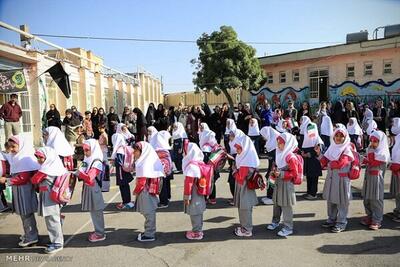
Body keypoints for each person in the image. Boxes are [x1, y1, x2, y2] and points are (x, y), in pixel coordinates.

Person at [317, 127, 356, 233]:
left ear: (345, 137)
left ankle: (341, 222)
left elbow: (339, 164)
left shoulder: (347, 149)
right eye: (337, 136)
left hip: (342, 180)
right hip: (331, 178)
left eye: (341, 136)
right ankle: (331, 219)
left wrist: (328, 163)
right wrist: (319, 154)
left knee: (342, 201)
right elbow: (324, 161)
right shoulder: (332, 147)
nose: (338, 138)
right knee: (331, 200)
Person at [7, 135, 40, 247]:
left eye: (14, 146)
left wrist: (8, 180)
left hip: (24, 190)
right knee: (24, 214)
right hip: (20, 190)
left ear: (21, 146)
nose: (11, 149)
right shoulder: (17, 156)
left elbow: (23, 178)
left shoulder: (24, 159)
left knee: (26, 213)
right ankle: (30, 234)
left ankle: (31, 236)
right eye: (9, 146)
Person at [32, 147, 65, 254]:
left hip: (49, 197)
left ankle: (57, 243)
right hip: (54, 196)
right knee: (54, 218)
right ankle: (56, 239)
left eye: (41, 157)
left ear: (48, 157)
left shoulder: (45, 169)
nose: (39, 160)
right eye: (37, 157)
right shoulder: (55, 166)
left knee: (51, 220)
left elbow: (34, 179)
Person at [267, 133, 299, 237]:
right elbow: (277, 165)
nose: (278, 145)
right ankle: (275, 221)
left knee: (286, 205)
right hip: (278, 182)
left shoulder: (291, 157)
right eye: (278, 142)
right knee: (276, 203)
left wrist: (281, 173)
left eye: (281, 143)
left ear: (288, 143)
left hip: (286, 184)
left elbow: (295, 173)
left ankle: (288, 227)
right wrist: (274, 171)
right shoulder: (279, 153)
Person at [133, 141, 164, 242]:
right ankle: (149, 231)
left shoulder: (143, 164)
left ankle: (149, 234)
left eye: (136, 150)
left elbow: (141, 181)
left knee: (148, 212)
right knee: (149, 212)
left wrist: (136, 191)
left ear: (142, 151)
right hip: (149, 191)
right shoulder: (146, 160)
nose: (134, 152)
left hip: (145, 192)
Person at [230, 129, 259, 237]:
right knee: (246, 208)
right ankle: (246, 226)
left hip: (244, 188)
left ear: (245, 148)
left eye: (239, 148)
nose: (237, 149)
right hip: (246, 188)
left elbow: (240, 178)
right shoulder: (247, 157)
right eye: (236, 147)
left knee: (244, 208)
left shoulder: (245, 162)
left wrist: (234, 171)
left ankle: (246, 229)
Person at [76, 139, 106, 242]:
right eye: (84, 150)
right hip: (88, 188)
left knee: (96, 211)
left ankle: (100, 233)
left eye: (87, 150)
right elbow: (82, 169)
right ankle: (98, 231)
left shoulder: (97, 161)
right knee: (93, 211)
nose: (85, 152)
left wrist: (78, 173)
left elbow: (89, 177)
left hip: (94, 188)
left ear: (93, 149)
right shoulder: (87, 159)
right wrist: (79, 172)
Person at [361, 130, 389, 230]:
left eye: (375, 141)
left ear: (381, 142)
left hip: (376, 179)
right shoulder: (371, 150)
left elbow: (373, 162)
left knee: (376, 199)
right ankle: (369, 215)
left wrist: (370, 153)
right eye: (371, 140)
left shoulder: (383, 153)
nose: (372, 143)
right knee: (367, 198)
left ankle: (377, 220)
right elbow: (368, 161)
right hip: (368, 177)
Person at [183, 142, 206, 240]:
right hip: (200, 191)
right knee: (199, 211)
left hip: (193, 193)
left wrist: (186, 197)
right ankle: (199, 229)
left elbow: (188, 183)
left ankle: (197, 233)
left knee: (194, 212)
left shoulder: (191, 166)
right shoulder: (200, 163)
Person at [300, 118, 323, 200]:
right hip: (308, 161)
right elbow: (304, 145)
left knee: (313, 177)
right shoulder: (307, 138)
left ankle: (313, 193)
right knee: (309, 176)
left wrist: (307, 154)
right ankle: (309, 192)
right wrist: (303, 153)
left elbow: (316, 151)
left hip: (313, 161)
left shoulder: (316, 140)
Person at [111, 133, 134, 210]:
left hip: (121, 171)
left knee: (123, 186)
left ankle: (126, 202)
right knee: (125, 185)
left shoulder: (119, 150)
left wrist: (114, 163)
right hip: (125, 169)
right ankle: (127, 201)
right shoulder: (123, 147)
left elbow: (119, 162)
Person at [152, 131, 173, 208]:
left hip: (160, 171)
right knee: (166, 183)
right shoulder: (166, 147)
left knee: (161, 185)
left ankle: (163, 202)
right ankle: (167, 197)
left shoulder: (156, 149)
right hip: (167, 169)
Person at [260, 126, 279, 205]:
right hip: (271, 166)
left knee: (271, 178)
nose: (262, 137)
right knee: (269, 177)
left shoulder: (275, 144)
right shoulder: (271, 142)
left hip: (274, 168)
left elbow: (275, 162)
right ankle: (269, 196)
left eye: (263, 135)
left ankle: (272, 197)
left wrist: (271, 171)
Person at [389, 117, 400, 222]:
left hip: (399, 168)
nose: (393, 126)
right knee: (397, 192)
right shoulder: (398, 137)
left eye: (394, 124)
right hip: (396, 168)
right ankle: (398, 210)